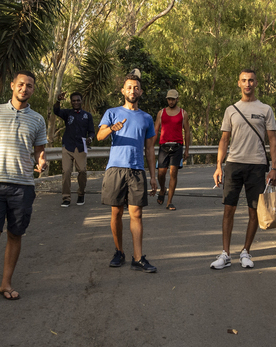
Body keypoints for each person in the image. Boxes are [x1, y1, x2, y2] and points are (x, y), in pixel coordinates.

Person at [0, 70, 48, 306]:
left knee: (15, 234)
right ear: (13, 85)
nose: (25, 89)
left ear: (33, 90)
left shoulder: (37, 119)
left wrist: (42, 161)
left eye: (30, 86)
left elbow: (39, 150)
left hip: (22, 186)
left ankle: (6, 283)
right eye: (21, 84)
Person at [210, 69, 276, 270]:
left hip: (257, 165)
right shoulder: (231, 109)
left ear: (256, 83)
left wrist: (274, 167)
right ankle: (225, 254)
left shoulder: (266, 109)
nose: (247, 84)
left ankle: (246, 251)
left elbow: (273, 140)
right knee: (228, 210)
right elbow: (224, 139)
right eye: (243, 80)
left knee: (253, 212)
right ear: (238, 83)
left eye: (251, 80)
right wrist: (218, 166)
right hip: (233, 164)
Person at [98, 75, 159, 272]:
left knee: (137, 214)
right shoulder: (112, 113)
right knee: (116, 212)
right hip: (115, 168)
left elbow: (150, 150)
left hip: (137, 170)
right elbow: (99, 136)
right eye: (129, 88)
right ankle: (119, 251)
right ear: (123, 91)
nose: (133, 91)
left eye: (136, 88)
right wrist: (111, 129)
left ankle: (138, 258)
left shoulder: (147, 118)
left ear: (140, 92)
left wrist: (153, 176)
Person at [52, 91, 95, 207]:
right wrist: (58, 100)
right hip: (67, 146)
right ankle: (66, 198)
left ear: (81, 101)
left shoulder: (87, 116)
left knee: (82, 171)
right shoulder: (67, 113)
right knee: (66, 172)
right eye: (73, 100)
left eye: (78, 100)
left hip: (81, 147)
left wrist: (90, 138)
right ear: (71, 102)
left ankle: (81, 194)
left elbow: (91, 131)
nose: (76, 102)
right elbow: (56, 111)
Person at [154, 89, 193, 211]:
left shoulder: (183, 113)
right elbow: (155, 130)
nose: (171, 101)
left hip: (177, 146)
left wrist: (187, 149)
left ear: (177, 99)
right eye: (169, 99)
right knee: (161, 173)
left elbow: (187, 131)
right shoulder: (161, 113)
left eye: (173, 99)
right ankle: (162, 188)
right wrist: (150, 145)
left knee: (173, 173)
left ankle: (169, 201)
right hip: (163, 146)